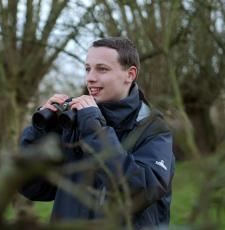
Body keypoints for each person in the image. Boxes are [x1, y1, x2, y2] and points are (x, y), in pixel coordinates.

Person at [19, 37, 175, 229]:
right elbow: (34, 188)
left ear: (130, 74)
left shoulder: (153, 129)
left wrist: (94, 130)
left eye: (102, 69)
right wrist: (40, 132)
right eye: (87, 68)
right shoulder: (73, 121)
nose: (90, 77)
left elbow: (140, 192)